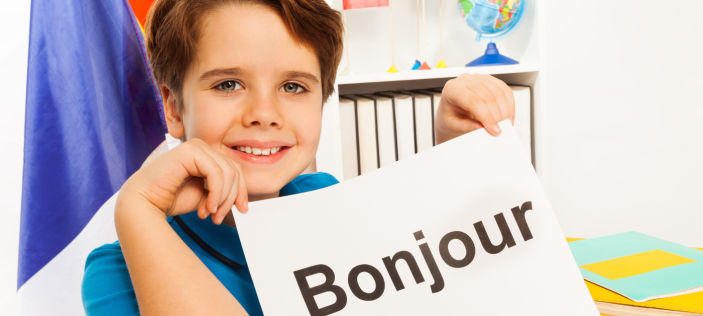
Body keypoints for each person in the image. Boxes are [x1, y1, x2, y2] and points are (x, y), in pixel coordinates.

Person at [81, 0, 516, 315]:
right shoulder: (118, 270)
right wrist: (138, 210)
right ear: (173, 108)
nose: (265, 115)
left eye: (293, 87)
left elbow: (434, 280)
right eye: (228, 84)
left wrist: (457, 153)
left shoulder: (325, 198)